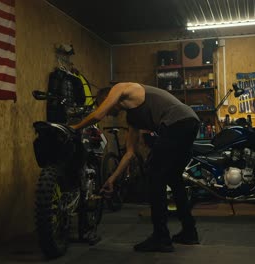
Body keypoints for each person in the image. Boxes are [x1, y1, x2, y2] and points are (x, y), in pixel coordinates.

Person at [71, 82, 200, 252]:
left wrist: (74, 128)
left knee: (154, 174)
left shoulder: (121, 87)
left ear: (107, 98)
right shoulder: (133, 117)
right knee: (174, 178)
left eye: (105, 105)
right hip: (190, 122)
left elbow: (98, 115)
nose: (109, 114)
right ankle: (189, 232)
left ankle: (161, 238)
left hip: (176, 122)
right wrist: (112, 179)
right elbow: (129, 153)